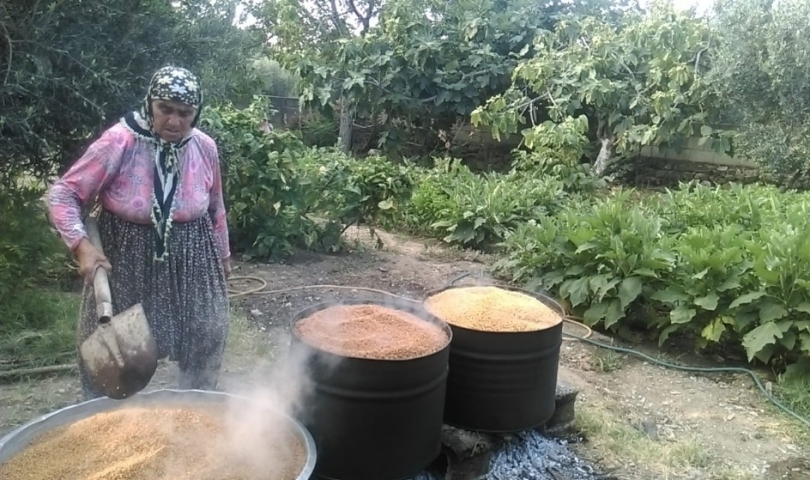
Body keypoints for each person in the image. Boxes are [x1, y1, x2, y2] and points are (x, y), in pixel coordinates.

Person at [47, 66, 231, 400]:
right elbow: (64, 194)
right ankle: (102, 423)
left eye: (185, 113)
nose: (174, 122)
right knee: (111, 351)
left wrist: (223, 255)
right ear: (150, 104)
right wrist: (82, 246)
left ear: (196, 113)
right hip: (126, 254)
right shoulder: (121, 141)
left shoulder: (204, 147)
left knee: (206, 332)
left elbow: (216, 205)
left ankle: (196, 416)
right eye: (166, 110)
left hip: (194, 255)